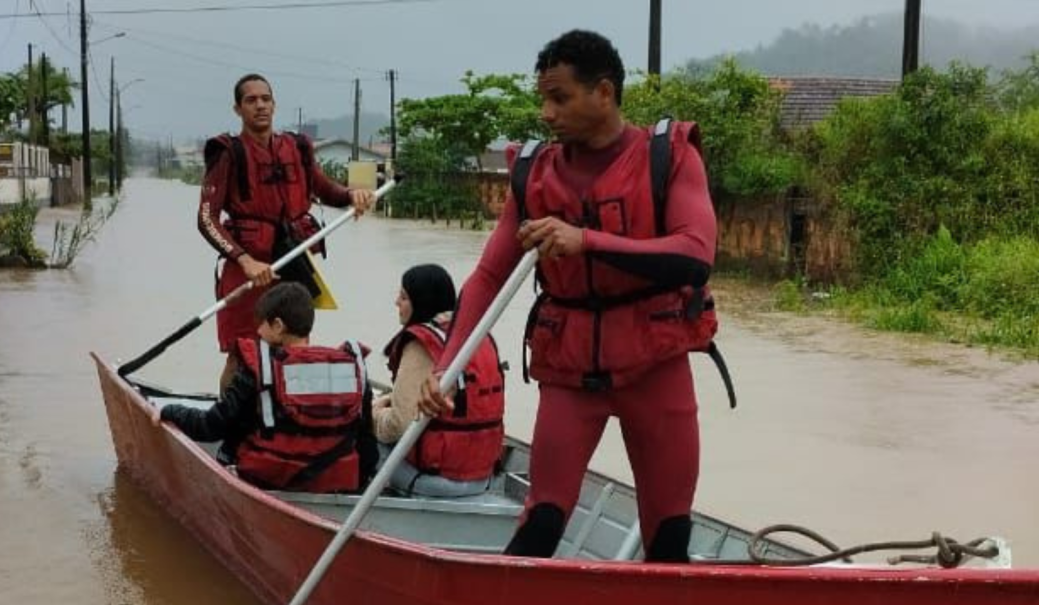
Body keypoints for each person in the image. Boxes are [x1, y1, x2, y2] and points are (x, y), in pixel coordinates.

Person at [419, 30, 721, 562]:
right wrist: (447, 365)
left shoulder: (669, 157)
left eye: (559, 98)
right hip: (570, 368)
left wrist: (586, 241)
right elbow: (489, 277)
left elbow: (695, 254)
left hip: (656, 364)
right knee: (543, 519)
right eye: (544, 98)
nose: (546, 112)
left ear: (603, 93)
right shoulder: (532, 175)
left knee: (670, 534)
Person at [199, 73, 377, 392]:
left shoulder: (296, 147)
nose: (260, 106)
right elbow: (206, 218)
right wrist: (245, 260)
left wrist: (353, 195)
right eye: (251, 100)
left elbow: (327, 191)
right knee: (242, 355)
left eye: (266, 99)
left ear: (274, 104)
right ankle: (228, 426)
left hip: (293, 263)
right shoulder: (227, 153)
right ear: (238, 108)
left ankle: (288, 423)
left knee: (295, 351)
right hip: (250, 270)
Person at [155, 283, 378, 493]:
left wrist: (170, 411)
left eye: (262, 323)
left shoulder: (259, 368)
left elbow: (212, 426)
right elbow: (368, 450)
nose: (258, 332)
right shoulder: (352, 370)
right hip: (336, 484)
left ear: (278, 326)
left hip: (269, 482)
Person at [374, 264, 505, 497]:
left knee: (363, 433)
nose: (396, 302)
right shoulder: (478, 335)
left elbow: (397, 426)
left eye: (403, 297)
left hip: (436, 480)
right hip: (483, 478)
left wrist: (373, 413)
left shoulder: (419, 345)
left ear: (420, 302)